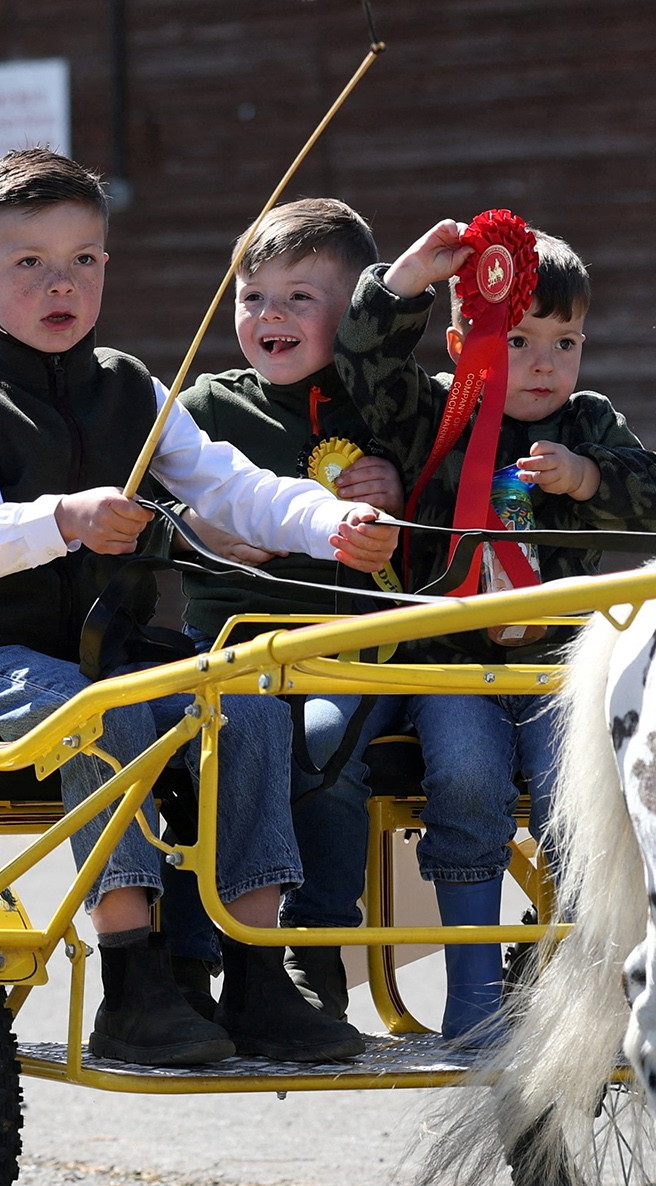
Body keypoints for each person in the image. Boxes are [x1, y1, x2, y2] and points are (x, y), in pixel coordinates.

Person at [0, 148, 396, 1066]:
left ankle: (255, 972)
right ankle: (132, 978)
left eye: (84, 259)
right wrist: (69, 517)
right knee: (111, 712)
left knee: (248, 711)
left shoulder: (132, 386)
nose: (62, 284)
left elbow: (232, 488)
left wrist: (333, 521)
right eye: (29, 264)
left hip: (114, 655)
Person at [336, 218, 656, 1041]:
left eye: (564, 343)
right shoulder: (435, 412)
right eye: (520, 339)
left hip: (556, 672)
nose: (543, 364)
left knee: (577, 805)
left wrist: (590, 475)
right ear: (463, 340)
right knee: (463, 784)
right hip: (448, 664)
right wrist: (404, 282)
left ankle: (570, 980)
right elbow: (365, 365)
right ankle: (472, 989)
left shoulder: (588, 421)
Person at [166, 197, 407, 1024]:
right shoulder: (200, 412)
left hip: (357, 647)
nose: (269, 314)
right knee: (199, 755)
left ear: (356, 313)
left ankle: (315, 954)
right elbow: (151, 517)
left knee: (322, 746)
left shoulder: (388, 408)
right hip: (229, 647)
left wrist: (401, 491)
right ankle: (186, 964)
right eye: (251, 295)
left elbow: (458, 506)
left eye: (300, 297)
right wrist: (198, 532)